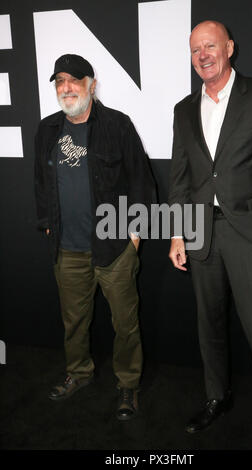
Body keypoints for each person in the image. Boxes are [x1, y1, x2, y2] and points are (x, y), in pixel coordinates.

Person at [168, 21, 252, 449]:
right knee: (209, 326)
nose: (203, 55)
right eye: (194, 50)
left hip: (249, 235)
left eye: (210, 46)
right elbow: (181, 179)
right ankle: (215, 397)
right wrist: (176, 234)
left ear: (229, 48)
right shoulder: (183, 109)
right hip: (201, 235)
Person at [34, 54, 155, 420]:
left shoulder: (117, 125)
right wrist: (48, 224)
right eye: (60, 82)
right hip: (67, 248)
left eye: (74, 80)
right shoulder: (47, 129)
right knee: (73, 321)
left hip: (114, 246)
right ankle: (79, 373)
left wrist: (134, 234)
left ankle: (128, 385)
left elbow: (141, 181)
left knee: (125, 323)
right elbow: (41, 183)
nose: (66, 88)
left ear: (91, 84)